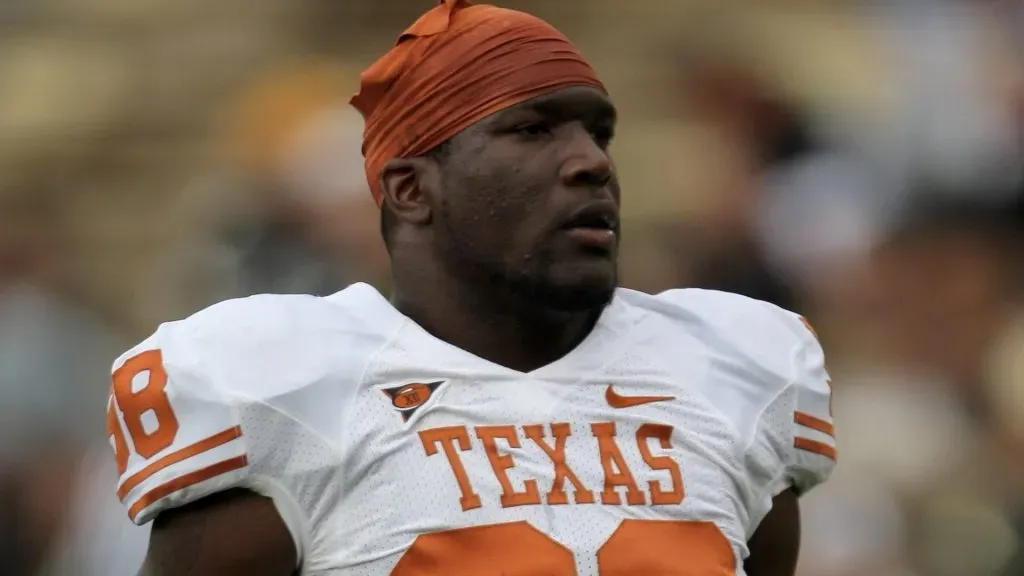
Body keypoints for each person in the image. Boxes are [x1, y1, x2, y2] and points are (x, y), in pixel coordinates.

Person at [107, 1, 836, 574]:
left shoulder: (730, 372)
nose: (591, 163)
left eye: (599, 132)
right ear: (412, 190)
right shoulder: (290, 397)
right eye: (533, 131)